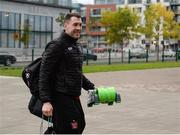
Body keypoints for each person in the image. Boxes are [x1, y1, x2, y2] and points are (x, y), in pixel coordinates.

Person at [38, 12, 95, 134]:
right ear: (66, 26)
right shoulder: (57, 45)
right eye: (75, 24)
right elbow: (44, 74)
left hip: (74, 96)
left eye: (80, 25)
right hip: (61, 96)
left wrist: (92, 88)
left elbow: (76, 72)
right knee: (70, 129)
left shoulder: (76, 45)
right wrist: (46, 101)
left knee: (79, 126)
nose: (79, 28)